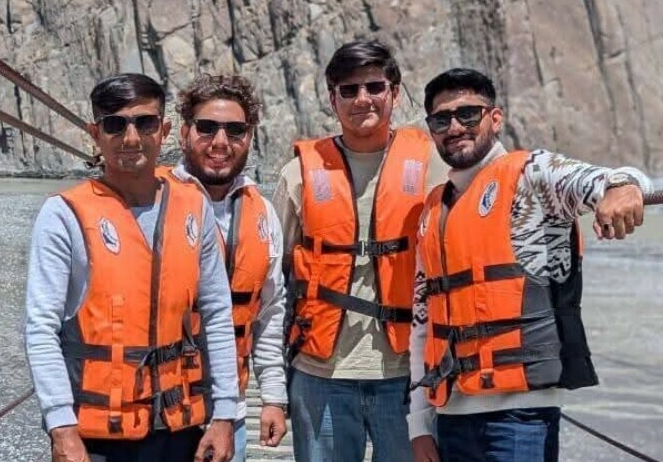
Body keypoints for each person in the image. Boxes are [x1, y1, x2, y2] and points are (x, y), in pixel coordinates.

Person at [408, 68, 654, 462]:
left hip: (521, 419)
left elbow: (597, 179)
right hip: (449, 418)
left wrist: (625, 187)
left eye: (468, 114)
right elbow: (423, 325)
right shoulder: (433, 211)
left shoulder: (533, 176)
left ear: (495, 118)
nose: (454, 127)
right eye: (442, 119)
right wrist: (419, 426)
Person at [24, 73, 238, 462]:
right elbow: (41, 328)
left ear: (165, 130)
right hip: (97, 437)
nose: (131, 137)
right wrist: (61, 428)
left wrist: (224, 414)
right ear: (95, 132)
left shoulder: (194, 206)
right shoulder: (64, 215)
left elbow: (217, 314)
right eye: (115, 124)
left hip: (180, 428)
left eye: (145, 122)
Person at [272, 40, 447, 462]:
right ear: (332, 98)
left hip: (408, 375)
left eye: (374, 86)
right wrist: (273, 387)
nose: (362, 99)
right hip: (320, 375)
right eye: (348, 90)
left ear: (395, 92)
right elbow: (273, 281)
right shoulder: (297, 174)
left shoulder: (433, 167)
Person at [169, 74, 289, 462]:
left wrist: (272, 397)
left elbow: (269, 313)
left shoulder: (263, 213)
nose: (221, 142)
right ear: (184, 132)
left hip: (229, 414)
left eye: (235, 130)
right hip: (155, 416)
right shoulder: (151, 201)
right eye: (206, 128)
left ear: (250, 136)